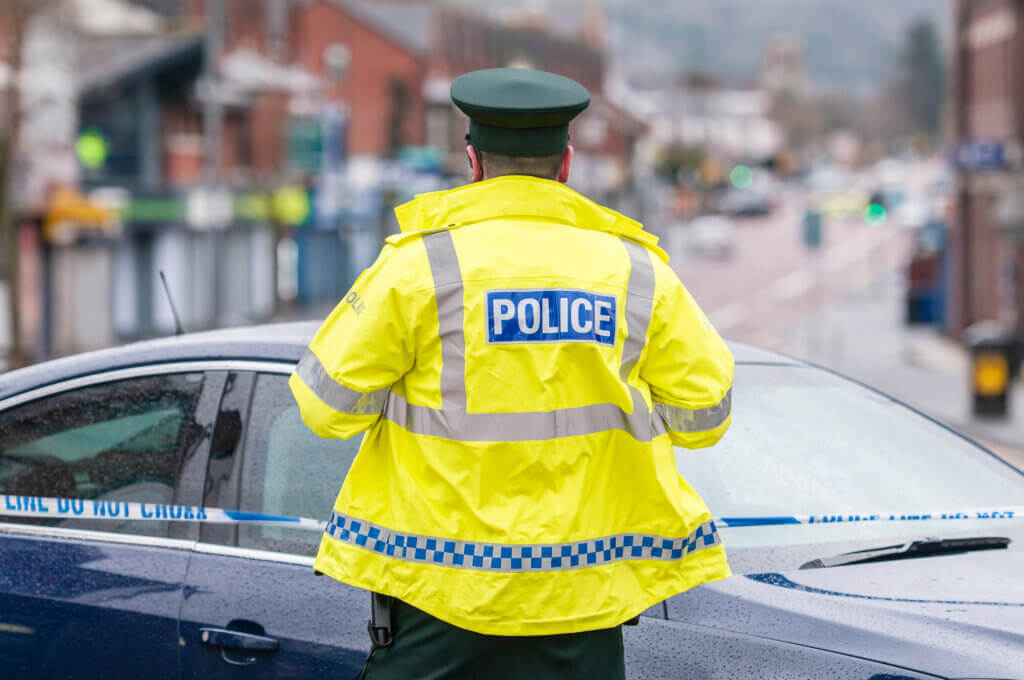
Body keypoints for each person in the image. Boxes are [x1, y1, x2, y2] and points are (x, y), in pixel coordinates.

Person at [290, 68, 734, 679]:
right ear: (567, 163)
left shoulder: (420, 266)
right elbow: (703, 417)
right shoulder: (637, 271)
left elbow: (325, 410)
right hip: (585, 609)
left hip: (437, 603)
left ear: (472, 161)